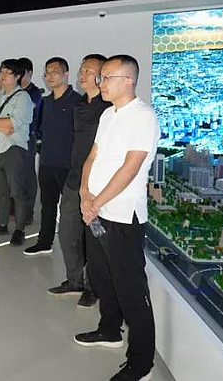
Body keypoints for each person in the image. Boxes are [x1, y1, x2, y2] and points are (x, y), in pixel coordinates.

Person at [76, 54, 159, 381]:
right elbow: (92, 156)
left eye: (107, 77)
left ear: (128, 80)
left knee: (131, 290)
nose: (101, 83)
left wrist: (95, 202)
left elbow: (130, 168)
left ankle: (141, 363)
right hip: (96, 212)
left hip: (123, 217)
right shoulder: (108, 114)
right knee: (101, 277)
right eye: (101, 77)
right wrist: (84, 193)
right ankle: (109, 329)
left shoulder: (143, 117)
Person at [48, 54, 110, 309]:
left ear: (101, 76)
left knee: (94, 240)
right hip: (75, 179)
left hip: (98, 184)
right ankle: (74, 280)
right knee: (67, 232)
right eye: (81, 70)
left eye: (88, 71)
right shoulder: (79, 105)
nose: (82, 75)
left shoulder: (109, 108)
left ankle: (93, 288)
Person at [23, 57, 81, 256]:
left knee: (73, 209)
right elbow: (39, 128)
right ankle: (44, 241)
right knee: (47, 204)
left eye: (55, 72)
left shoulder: (77, 102)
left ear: (66, 74)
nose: (50, 76)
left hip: (69, 165)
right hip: (47, 162)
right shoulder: (46, 102)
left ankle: (79, 247)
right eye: (47, 73)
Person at [0, 59, 34, 245]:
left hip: (14, 149)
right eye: (1, 71)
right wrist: (0, 124)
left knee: (17, 191)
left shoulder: (23, 98)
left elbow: (13, 124)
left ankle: (20, 229)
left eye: (7, 72)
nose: (2, 75)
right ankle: (1, 224)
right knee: (0, 190)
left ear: (17, 76)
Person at [19, 56, 43, 221]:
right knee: (13, 175)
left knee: (27, 175)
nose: (19, 76)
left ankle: (28, 212)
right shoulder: (14, 90)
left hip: (28, 137)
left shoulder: (35, 92)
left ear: (30, 73)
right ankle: (13, 208)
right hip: (13, 137)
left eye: (21, 73)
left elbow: (26, 110)